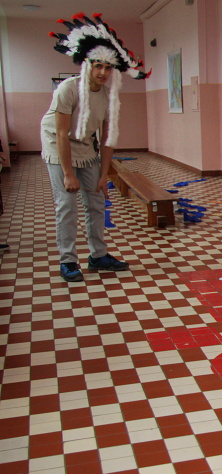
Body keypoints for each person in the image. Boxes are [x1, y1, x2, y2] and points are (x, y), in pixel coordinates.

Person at [41, 12, 149, 282]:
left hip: (86, 147)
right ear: (86, 65)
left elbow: (108, 138)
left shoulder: (109, 96)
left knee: (97, 201)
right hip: (58, 145)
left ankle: (98, 256)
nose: (103, 72)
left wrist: (104, 175)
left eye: (108, 68)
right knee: (67, 206)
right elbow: (62, 133)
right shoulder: (68, 89)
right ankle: (68, 261)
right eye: (98, 66)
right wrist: (68, 173)